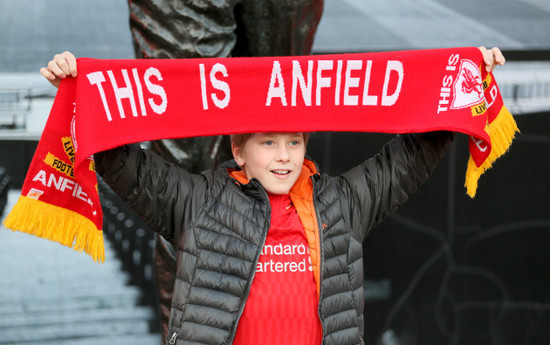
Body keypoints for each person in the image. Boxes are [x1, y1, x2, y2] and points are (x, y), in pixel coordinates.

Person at [41, 48, 505, 345]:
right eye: (268, 142)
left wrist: (464, 76)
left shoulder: (340, 203)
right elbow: (123, 164)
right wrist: (80, 87)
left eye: (294, 142)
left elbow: (409, 158)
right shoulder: (198, 202)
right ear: (238, 150)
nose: (284, 157)